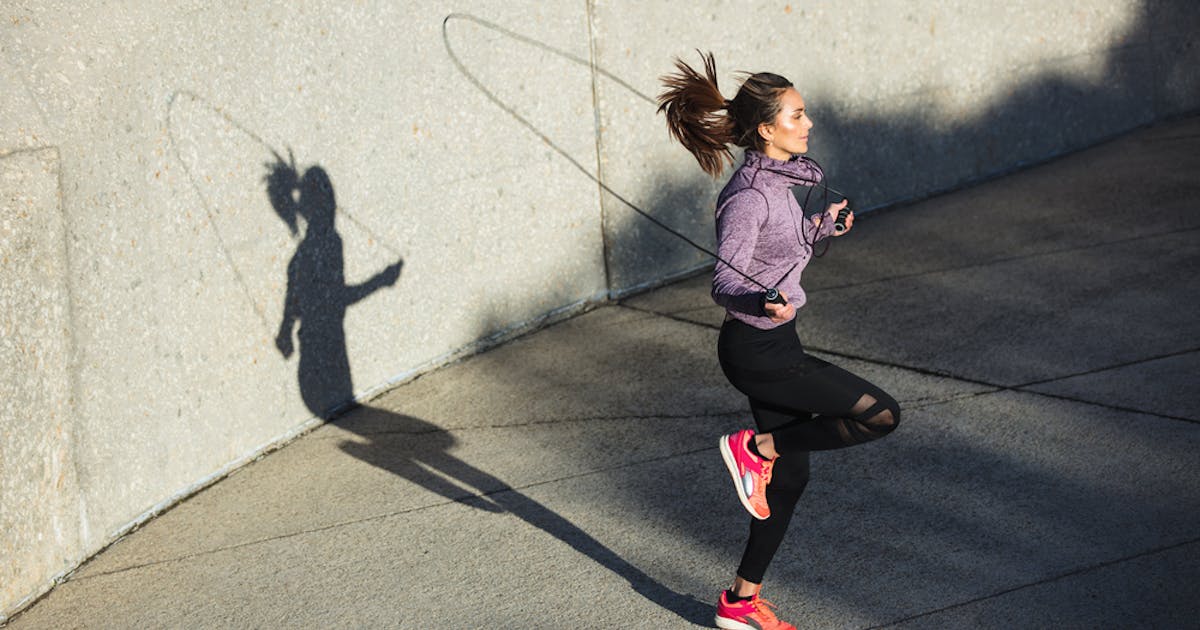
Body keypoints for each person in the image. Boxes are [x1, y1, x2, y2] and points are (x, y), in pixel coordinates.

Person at [658, 52, 901, 630]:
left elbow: (780, 250)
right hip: (756, 351)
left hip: (776, 343)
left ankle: (739, 604)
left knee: (790, 480)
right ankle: (753, 449)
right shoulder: (748, 197)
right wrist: (758, 300)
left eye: (805, 112)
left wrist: (821, 228)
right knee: (882, 414)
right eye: (797, 115)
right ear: (767, 129)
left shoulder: (781, 184)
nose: (808, 123)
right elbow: (725, 281)